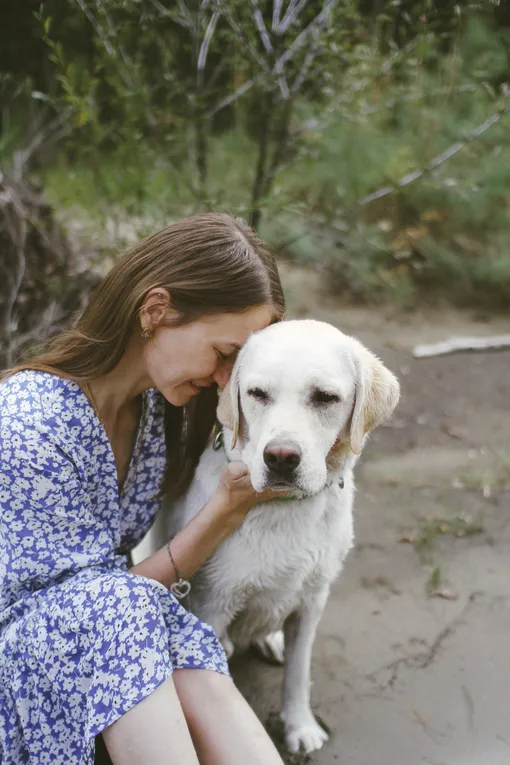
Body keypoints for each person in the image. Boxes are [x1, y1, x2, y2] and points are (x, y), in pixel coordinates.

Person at [0, 213, 287, 765]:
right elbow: (90, 598)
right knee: (129, 605)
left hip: (95, 633)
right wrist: (222, 513)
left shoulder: (153, 411)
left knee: (160, 626)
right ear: (155, 310)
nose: (225, 377)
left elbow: (100, 595)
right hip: (18, 663)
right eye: (224, 352)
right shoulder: (28, 422)